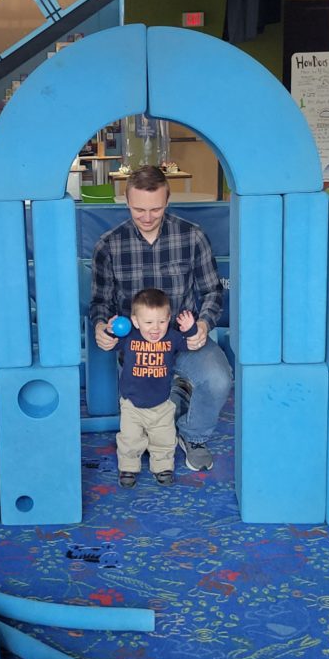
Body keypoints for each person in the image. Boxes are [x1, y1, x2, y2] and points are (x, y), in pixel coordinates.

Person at [90, 164, 232, 472]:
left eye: (155, 209)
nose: (147, 217)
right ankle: (173, 396)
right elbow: (100, 301)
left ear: (167, 201)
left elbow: (212, 292)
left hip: (181, 338)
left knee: (220, 379)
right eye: (139, 209)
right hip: (137, 348)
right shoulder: (109, 245)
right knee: (140, 431)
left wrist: (204, 324)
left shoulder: (192, 237)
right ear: (126, 201)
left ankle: (193, 435)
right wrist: (101, 326)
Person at [104, 288, 198, 487]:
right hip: (132, 404)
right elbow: (111, 344)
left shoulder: (172, 338)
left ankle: (163, 467)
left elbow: (190, 343)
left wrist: (190, 328)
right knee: (129, 439)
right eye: (148, 322)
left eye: (162, 322)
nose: (155, 328)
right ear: (136, 321)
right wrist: (109, 330)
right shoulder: (129, 337)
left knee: (164, 438)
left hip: (161, 403)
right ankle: (128, 467)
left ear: (169, 319)